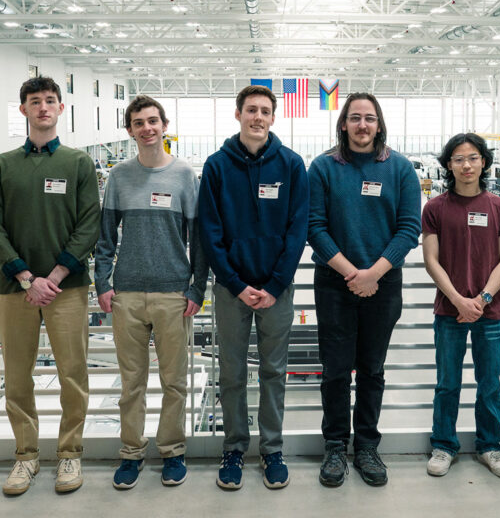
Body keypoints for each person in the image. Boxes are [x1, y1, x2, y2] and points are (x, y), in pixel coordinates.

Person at [0, 76, 100, 495]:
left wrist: (54, 276)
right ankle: (26, 457)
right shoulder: (0, 166)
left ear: (61, 108)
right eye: (35, 102)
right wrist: (26, 276)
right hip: (16, 288)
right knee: (17, 376)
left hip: (66, 288)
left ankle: (69, 455)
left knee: (73, 373)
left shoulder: (78, 163)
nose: (44, 107)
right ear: (24, 111)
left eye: (51, 101)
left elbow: (90, 224)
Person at [94, 95, 208, 490]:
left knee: (175, 381)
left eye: (153, 121)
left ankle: (172, 451)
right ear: (130, 130)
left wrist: (196, 287)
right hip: (126, 295)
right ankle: (130, 454)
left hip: (173, 295)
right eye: (139, 122)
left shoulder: (183, 176)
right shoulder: (120, 178)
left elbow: (199, 240)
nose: (147, 128)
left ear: (164, 125)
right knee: (132, 383)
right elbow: (105, 237)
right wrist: (103, 284)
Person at [198, 84, 308, 490]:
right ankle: (234, 448)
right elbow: (210, 233)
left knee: (274, 372)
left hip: (277, 291)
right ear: (238, 114)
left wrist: (276, 284)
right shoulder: (216, 166)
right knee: (231, 373)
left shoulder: (293, 165)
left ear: (273, 118)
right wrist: (236, 283)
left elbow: (298, 230)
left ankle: (272, 449)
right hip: (231, 291)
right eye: (251, 110)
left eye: (264, 111)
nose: (257, 117)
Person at [308, 92, 421, 487]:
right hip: (334, 284)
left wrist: (373, 273)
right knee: (336, 371)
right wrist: (351, 274)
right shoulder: (322, 167)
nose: (362, 125)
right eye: (354, 118)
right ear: (343, 124)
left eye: (369, 118)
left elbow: (409, 228)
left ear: (379, 124)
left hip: (384, 284)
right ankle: (336, 445)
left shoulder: (401, 168)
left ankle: (367, 447)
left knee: (372, 369)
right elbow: (314, 227)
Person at [421, 133, 500, 480]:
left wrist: (482, 299)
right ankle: (444, 445)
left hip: (490, 313)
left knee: (489, 382)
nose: (466, 165)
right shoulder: (435, 208)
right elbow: (431, 261)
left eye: (473, 158)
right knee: (448, 383)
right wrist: (459, 300)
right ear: (449, 164)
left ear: (484, 163)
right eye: (459, 158)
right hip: (449, 312)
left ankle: (490, 445)